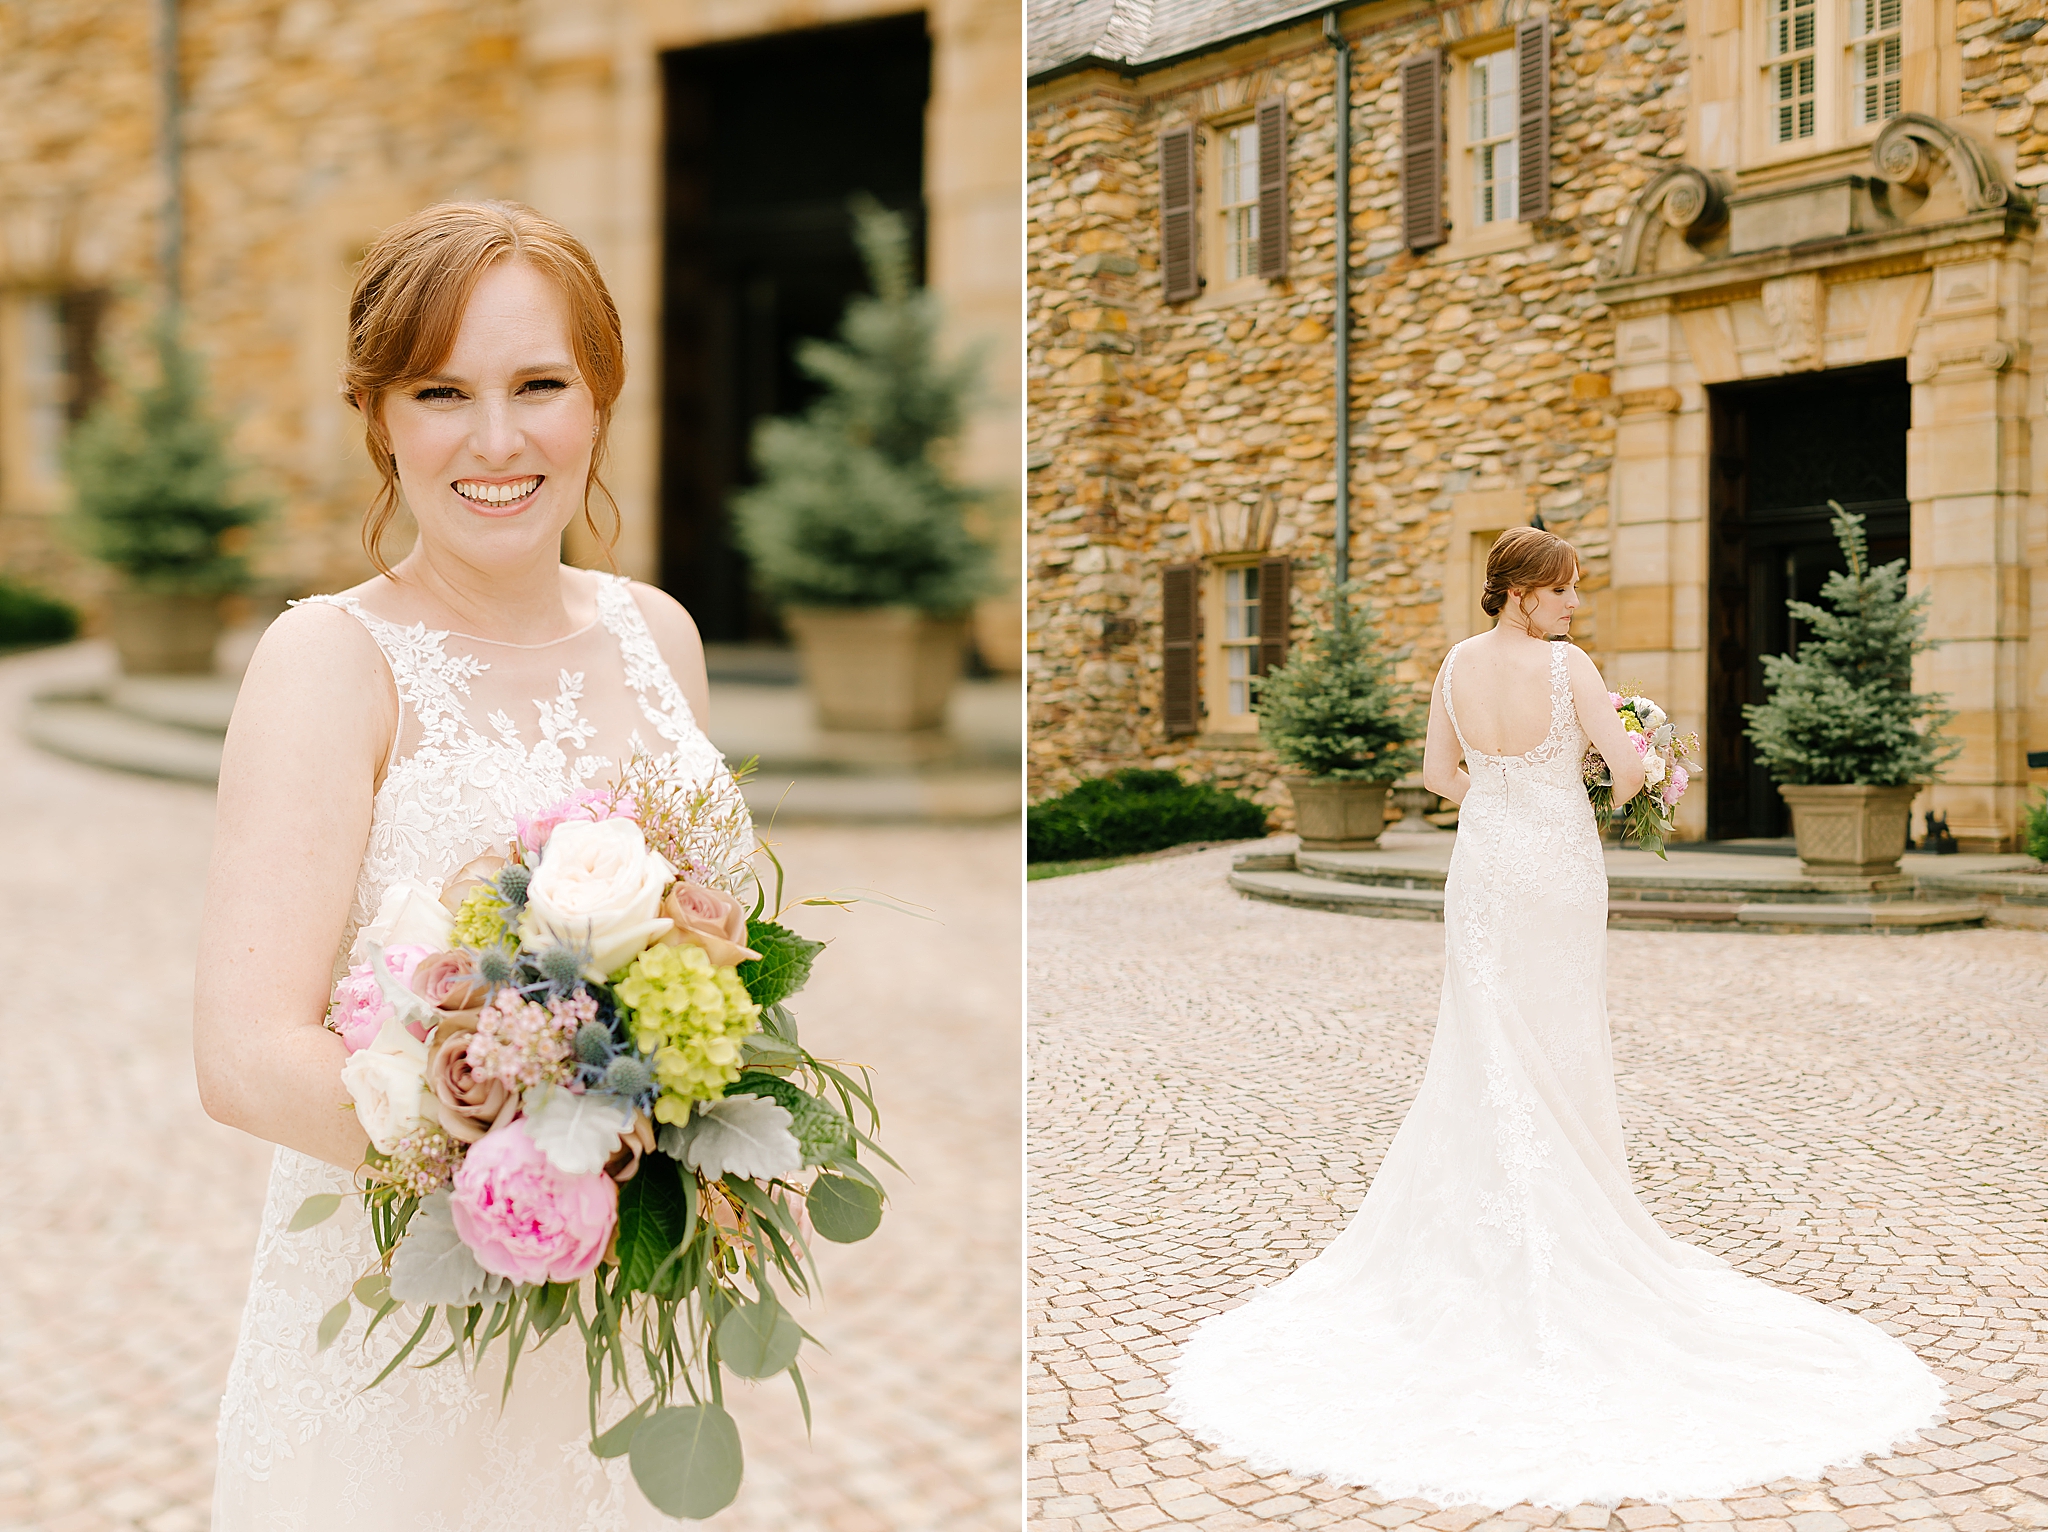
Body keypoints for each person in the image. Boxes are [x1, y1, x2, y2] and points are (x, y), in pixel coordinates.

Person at [1165, 526, 1942, 1509]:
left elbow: (1440, 778)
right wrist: (1622, 767)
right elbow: (1622, 771)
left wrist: (1511, 787)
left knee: (1479, 1037)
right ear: (1523, 592)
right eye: (1564, 589)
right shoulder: (1568, 667)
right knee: (1557, 1035)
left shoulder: (1452, 662)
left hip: (1484, 867)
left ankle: (1474, 1219)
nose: (1575, 604)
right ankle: (1564, 1210)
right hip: (1556, 872)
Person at [193, 201, 739, 1528]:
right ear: (380, 416)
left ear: (600, 397)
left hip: (622, 1339)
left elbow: (709, 948)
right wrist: (527, 1179)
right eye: (443, 392)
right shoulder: (330, 664)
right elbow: (247, 1056)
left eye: (539, 385)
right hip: (404, 1329)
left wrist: (692, 1148)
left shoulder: (661, 639)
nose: (497, 441)